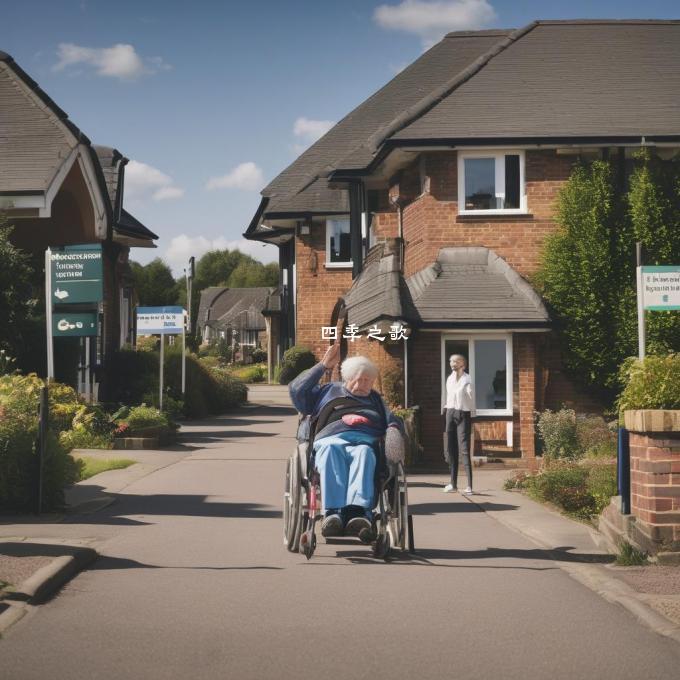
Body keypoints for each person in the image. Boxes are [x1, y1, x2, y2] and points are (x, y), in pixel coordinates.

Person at [289, 343, 404, 542]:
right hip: (330, 438)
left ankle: (358, 513)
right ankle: (333, 513)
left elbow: (393, 420)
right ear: (347, 378)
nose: (362, 386)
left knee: (365, 454)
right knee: (330, 450)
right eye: (358, 380)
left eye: (368, 381)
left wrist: (393, 429)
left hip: (366, 441)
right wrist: (323, 366)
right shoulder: (328, 391)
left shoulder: (375, 400)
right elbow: (297, 390)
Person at [443, 354, 474, 494]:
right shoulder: (449, 379)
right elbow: (448, 396)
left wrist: (470, 393)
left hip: (463, 413)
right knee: (451, 449)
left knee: (464, 448)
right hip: (450, 412)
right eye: (451, 361)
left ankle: (469, 486)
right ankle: (453, 484)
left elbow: (470, 394)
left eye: (455, 361)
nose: (452, 363)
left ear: (462, 363)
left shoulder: (467, 379)